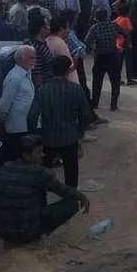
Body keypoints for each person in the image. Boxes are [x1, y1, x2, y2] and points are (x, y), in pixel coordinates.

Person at [0, 134, 91, 246]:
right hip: (24, 232)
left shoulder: (6, 166)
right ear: (26, 155)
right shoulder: (39, 172)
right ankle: (31, 236)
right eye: (38, 152)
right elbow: (62, 190)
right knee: (72, 203)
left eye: (42, 151)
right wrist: (81, 196)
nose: (43, 155)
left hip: (0, 231)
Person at [27, 56, 93, 188]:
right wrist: (80, 131)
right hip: (70, 137)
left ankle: (41, 197)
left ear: (52, 70)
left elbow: (32, 116)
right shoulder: (76, 89)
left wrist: (35, 135)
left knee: (43, 172)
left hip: (48, 137)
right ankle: (70, 197)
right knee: (71, 172)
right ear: (68, 70)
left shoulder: (43, 90)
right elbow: (86, 115)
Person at [0, 46, 36, 178]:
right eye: (31, 58)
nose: (34, 60)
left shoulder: (26, 74)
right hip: (16, 126)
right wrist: (2, 118)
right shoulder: (14, 78)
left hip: (25, 124)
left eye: (34, 57)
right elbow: (5, 102)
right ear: (20, 59)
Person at [84, 7, 131, 112]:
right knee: (115, 81)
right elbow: (126, 34)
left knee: (97, 81)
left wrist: (93, 49)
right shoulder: (113, 25)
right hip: (112, 55)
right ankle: (113, 105)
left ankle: (95, 103)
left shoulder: (94, 28)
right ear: (107, 16)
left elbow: (86, 41)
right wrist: (123, 45)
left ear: (96, 18)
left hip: (100, 56)